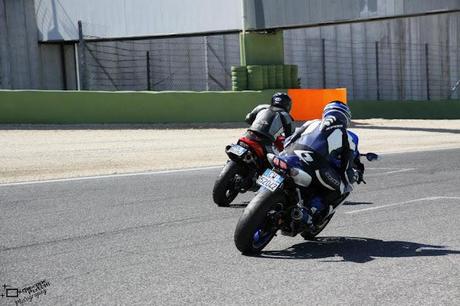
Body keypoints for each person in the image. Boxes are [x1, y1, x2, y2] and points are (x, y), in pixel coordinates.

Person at [282, 101, 365, 225]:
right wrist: (350, 179)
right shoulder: (346, 136)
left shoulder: (311, 123)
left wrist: (285, 153)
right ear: (345, 118)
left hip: (288, 155)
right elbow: (346, 166)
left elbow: (289, 139)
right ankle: (311, 211)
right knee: (341, 188)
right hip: (314, 163)